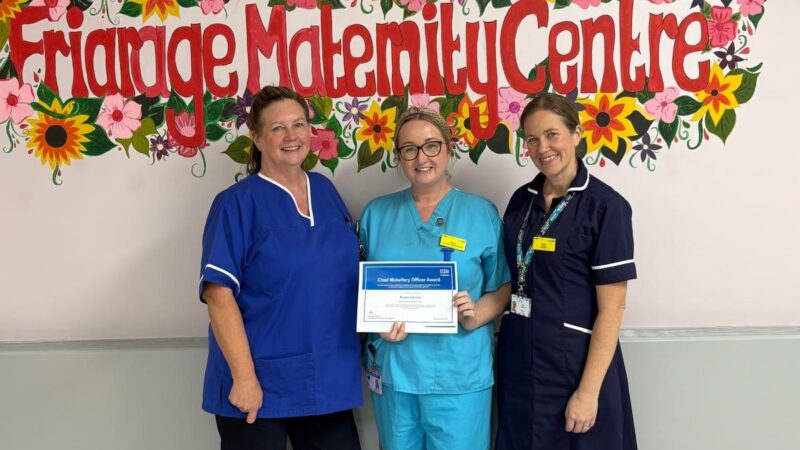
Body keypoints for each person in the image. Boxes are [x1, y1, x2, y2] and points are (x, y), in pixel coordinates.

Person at [198, 86, 362, 450]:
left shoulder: (325, 191)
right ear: (256, 138)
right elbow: (218, 295)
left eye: (299, 125)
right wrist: (244, 379)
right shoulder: (236, 204)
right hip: (257, 386)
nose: (292, 136)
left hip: (327, 380)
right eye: (277, 128)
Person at [358, 107, 511, 450]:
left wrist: (477, 316)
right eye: (408, 149)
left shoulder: (480, 212)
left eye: (431, 145)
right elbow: (358, 286)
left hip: (460, 373)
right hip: (395, 371)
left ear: (448, 148)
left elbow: (502, 286)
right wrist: (374, 319)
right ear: (398, 156)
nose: (420, 157)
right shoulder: (375, 214)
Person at [495, 92, 638, 450]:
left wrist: (588, 393)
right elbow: (514, 277)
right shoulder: (520, 201)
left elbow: (613, 308)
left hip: (573, 371)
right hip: (520, 367)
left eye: (552, 134)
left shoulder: (606, 208)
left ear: (576, 134)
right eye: (532, 138)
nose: (542, 147)